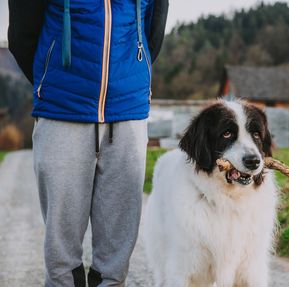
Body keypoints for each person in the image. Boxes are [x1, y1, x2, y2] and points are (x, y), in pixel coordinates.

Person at [8, 0, 169, 286]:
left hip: (128, 113)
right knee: (61, 253)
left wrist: (129, 79)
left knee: (115, 258)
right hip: (62, 111)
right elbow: (22, 36)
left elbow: (152, 31)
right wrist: (55, 80)